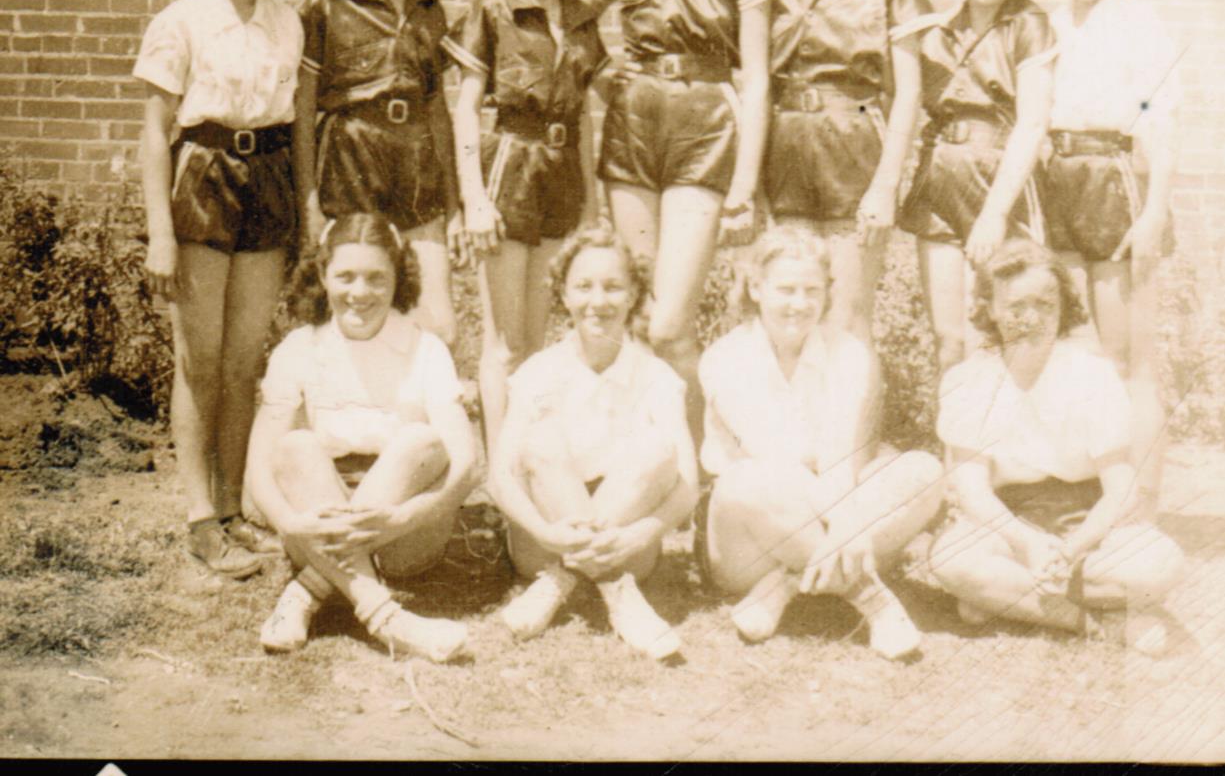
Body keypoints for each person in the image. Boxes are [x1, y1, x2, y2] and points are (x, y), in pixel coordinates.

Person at [580, 0, 770, 446]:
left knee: (669, 327)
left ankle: (696, 463)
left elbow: (760, 75)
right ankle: (639, 454)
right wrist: (607, 74)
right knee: (635, 318)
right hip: (633, 129)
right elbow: (568, 25)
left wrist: (745, 184)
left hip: (706, 129)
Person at [137, 0, 303, 578]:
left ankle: (234, 508)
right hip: (202, 177)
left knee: (243, 361)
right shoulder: (181, 19)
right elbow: (153, 134)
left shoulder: (286, 20)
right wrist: (160, 232)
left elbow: (293, 125)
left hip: (265, 178)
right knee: (199, 360)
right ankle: (199, 517)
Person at [697, 225, 944, 659]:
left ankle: (787, 583)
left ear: (826, 293)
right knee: (746, 479)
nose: (799, 304)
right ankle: (870, 597)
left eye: (811, 290)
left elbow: (839, 453)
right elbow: (778, 461)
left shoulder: (848, 352)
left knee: (924, 471)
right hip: (748, 534)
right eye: (786, 289)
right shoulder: (724, 358)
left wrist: (844, 521)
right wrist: (848, 524)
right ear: (756, 288)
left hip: (830, 505)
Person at [927, 240, 1183, 652]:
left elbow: (1122, 491)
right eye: (1016, 306)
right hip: (1007, 527)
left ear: (1063, 307)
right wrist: (1026, 543)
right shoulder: (968, 380)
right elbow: (972, 489)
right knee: (950, 559)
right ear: (990, 308)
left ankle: (1003, 597)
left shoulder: (1091, 375)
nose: (1031, 318)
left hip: (1085, 525)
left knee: (1161, 565)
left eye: (1046, 305)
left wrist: (1072, 548)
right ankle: (1092, 622)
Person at [246, 213, 476, 660]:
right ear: (322, 275)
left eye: (376, 278)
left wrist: (402, 519)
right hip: (318, 518)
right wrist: (292, 524)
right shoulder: (298, 348)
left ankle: (307, 591)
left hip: (404, 534)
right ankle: (385, 616)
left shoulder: (425, 348)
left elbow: (466, 464)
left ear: (397, 279)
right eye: (346, 276)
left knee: (419, 442)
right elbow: (259, 467)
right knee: (295, 446)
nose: (360, 293)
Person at [445, 0, 607, 451]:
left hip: (561, 176)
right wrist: (474, 199)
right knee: (504, 342)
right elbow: (465, 107)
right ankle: (500, 471)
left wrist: (591, 204)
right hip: (509, 168)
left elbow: (583, 113)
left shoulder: (585, 17)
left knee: (538, 342)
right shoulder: (492, 10)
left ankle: (530, 461)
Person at [490, 224, 699, 659]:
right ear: (563, 294)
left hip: (629, 545)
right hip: (543, 541)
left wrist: (640, 534)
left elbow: (688, 487)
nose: (598, 302)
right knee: (542, 439)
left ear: (633, 294)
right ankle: (616, 591)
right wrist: (546, 531)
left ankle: (564, 580)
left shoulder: (657, 377)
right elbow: (499, 478)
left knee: (659, 448)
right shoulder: (538, 372)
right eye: (583, 286)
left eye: (613, 287)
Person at [759, 0, 931, 341]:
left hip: (853, 153)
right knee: (789, 318)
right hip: (787, 156)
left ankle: (854, 422)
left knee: (847, 323)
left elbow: (909, 92)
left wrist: (886, 184)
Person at [1045, 0, 1181, 520]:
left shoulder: (1139, 23)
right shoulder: (1048, 22)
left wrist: (1154, 211)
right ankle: (1092, 499)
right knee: (1077, 352)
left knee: (1128, 356)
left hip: (1117, 178)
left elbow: (1162, 120)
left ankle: (1143, 507)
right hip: (1058, 179)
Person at [295, 0, 462, 346]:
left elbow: (439, 113)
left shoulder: (429, 6)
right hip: (349, 165)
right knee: (349, 321)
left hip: (416, 171)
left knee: (438, 326)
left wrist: (453, 206)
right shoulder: (323, 0)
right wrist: (309, 204)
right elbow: (303, 113)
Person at [898, 0, 1057, 372]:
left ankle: (1002, 445)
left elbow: (1031, 124)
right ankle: (957, 447)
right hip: (940, 181)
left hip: (999, 183)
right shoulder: (938, 29)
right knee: (948, 339)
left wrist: (994, 214)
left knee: (995, 333)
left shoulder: (1030, 25)